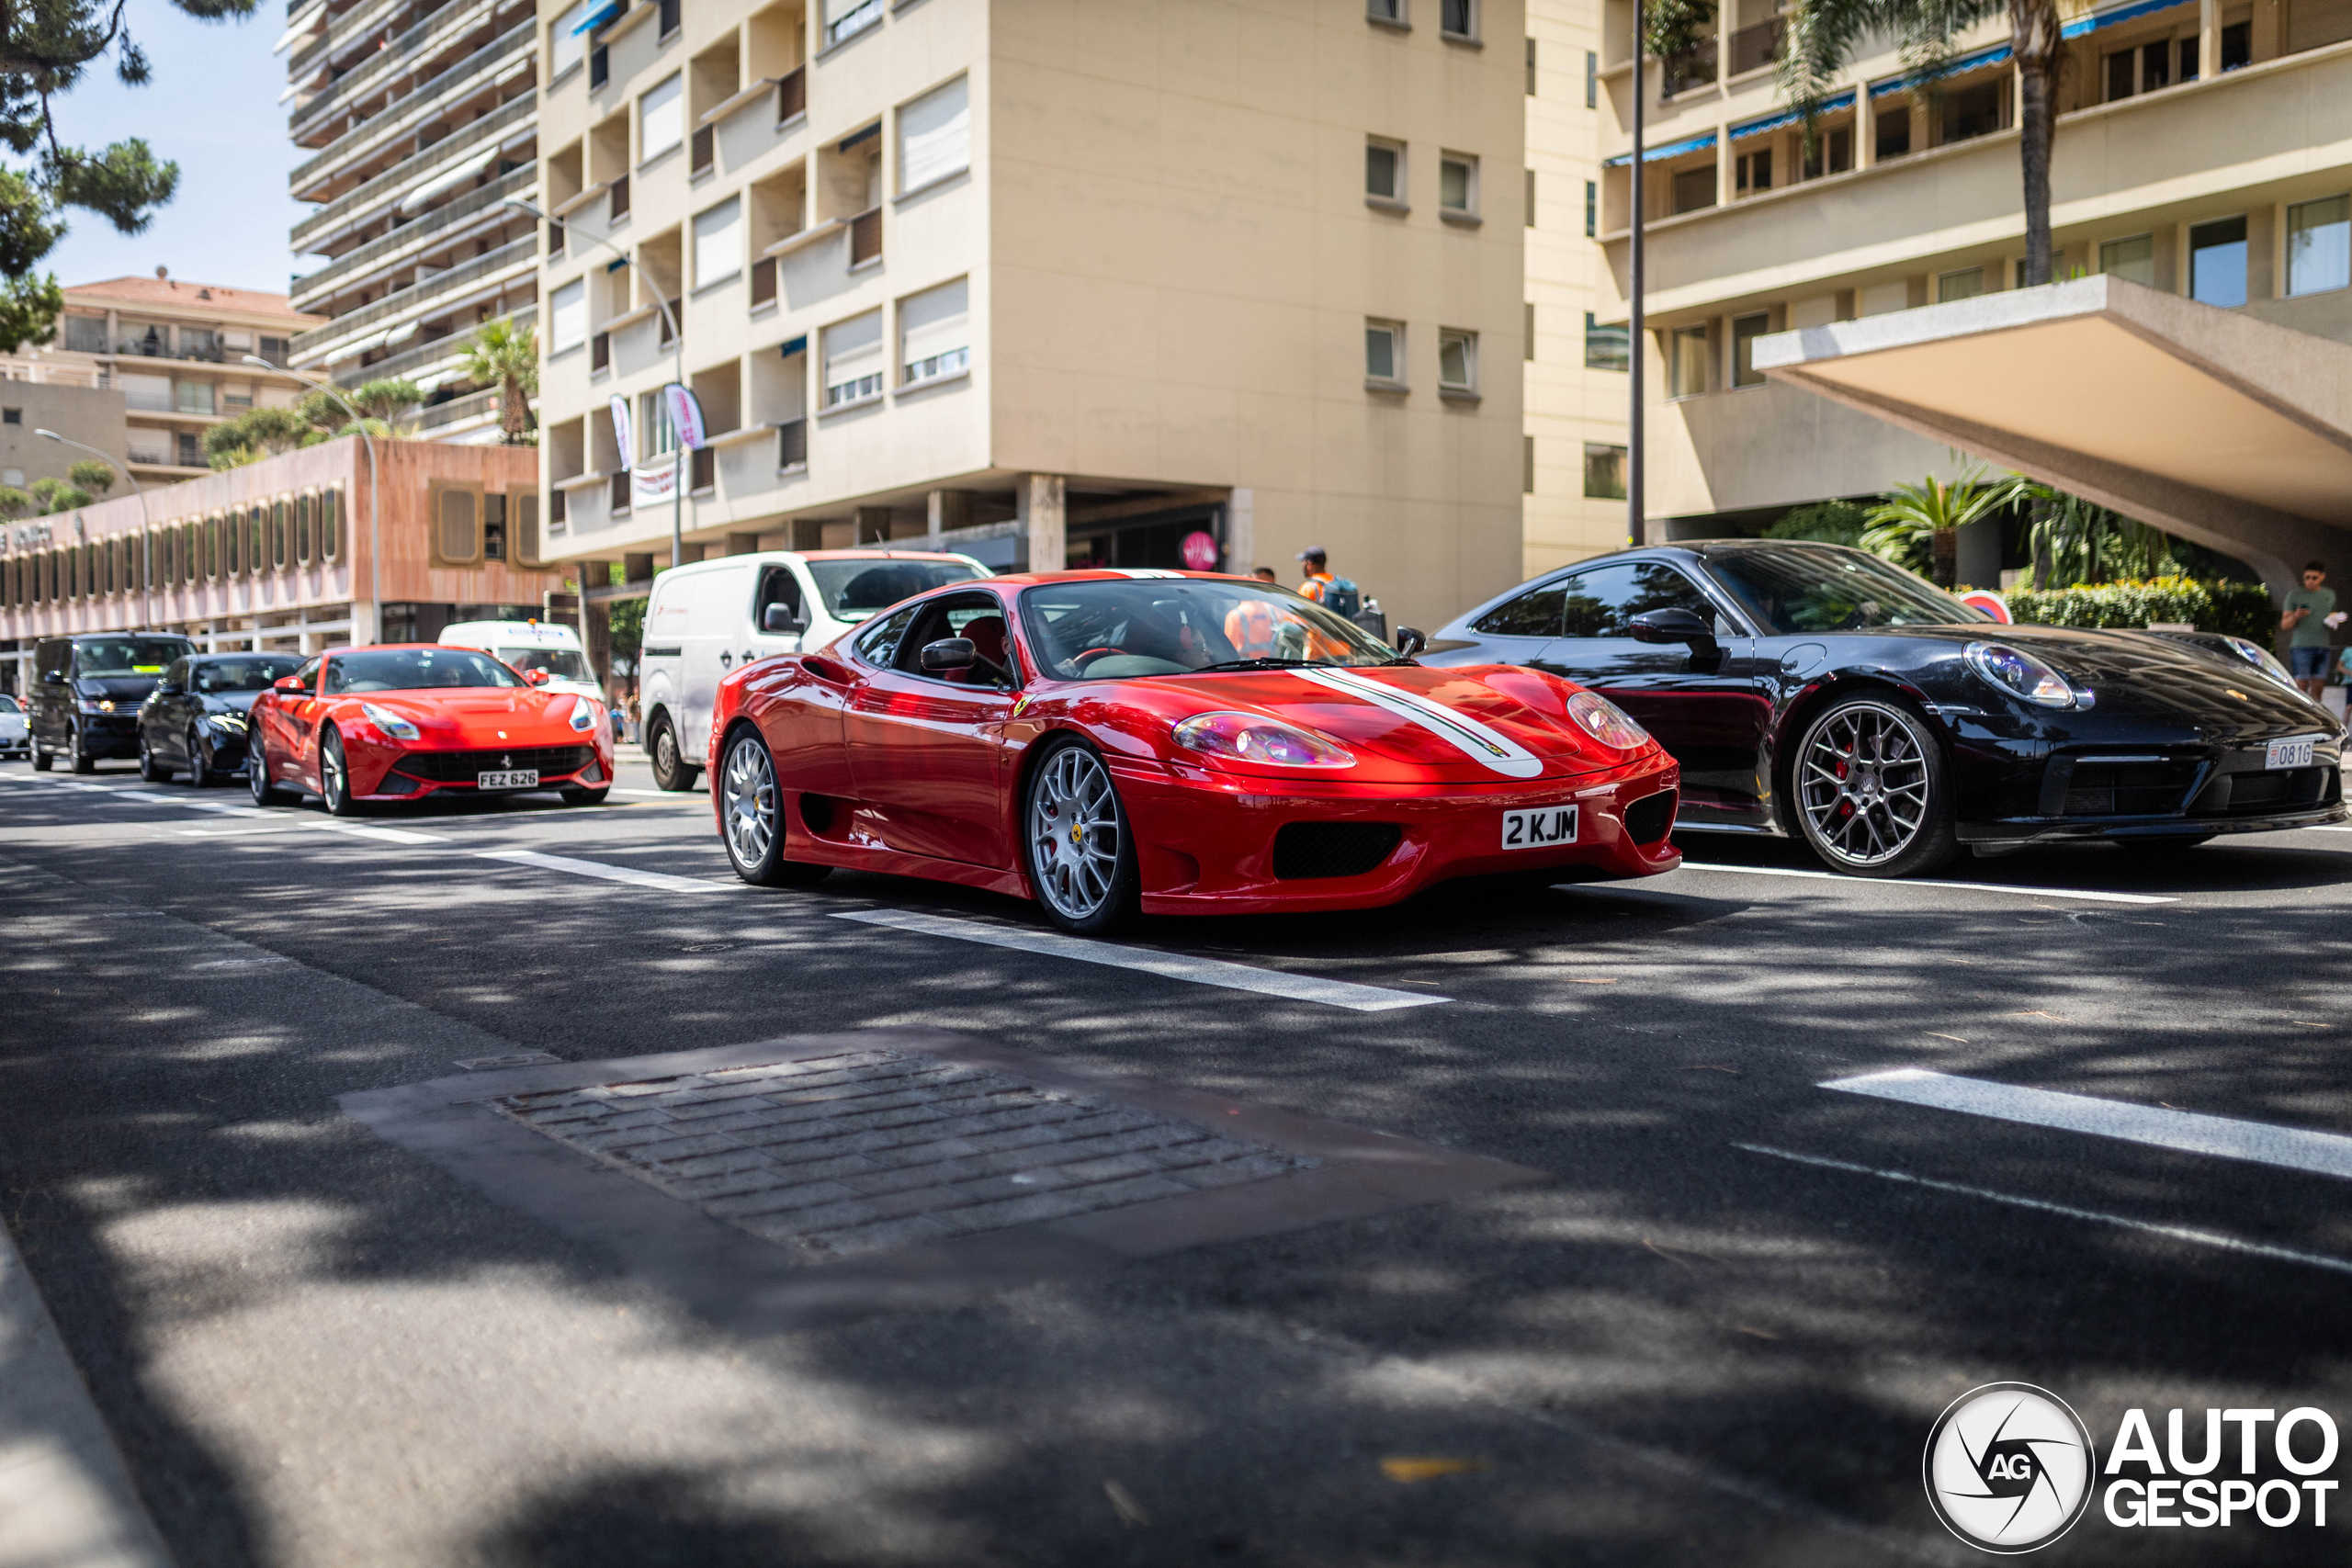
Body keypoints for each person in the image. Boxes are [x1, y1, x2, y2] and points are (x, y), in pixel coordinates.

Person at [2282, 561, 2337, 701]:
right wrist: (2296, 615)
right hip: (2301, 646)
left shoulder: (2329, 594)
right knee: (2301, 683)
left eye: (2314, 578)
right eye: (2307, 578)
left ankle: (2316, 717)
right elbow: (2284, 624)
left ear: (2322, 577)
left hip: (2323, 646)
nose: (2310, 581)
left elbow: (2333, 615)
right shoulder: (2294, 595)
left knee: (2318, 685)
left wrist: (2335, 620)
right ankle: (2299, 715)